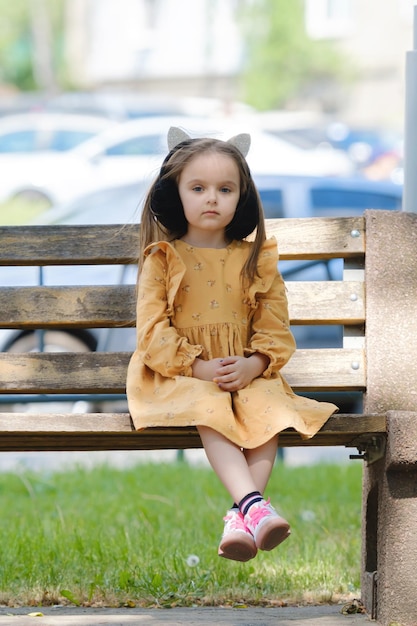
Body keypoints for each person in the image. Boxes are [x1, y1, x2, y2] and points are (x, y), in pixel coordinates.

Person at [126, 126, 337, 562]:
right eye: (198, 187)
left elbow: (274, 322)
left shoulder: (254, 258)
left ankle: (243, 513)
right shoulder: (163, 258)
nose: (211, 198)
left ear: (241, 197)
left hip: (244, 371)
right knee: (211, 406)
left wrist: (257, 363)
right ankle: (254, 507)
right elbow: (151, 332)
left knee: (272, 409)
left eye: (225, 188)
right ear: (175, 193)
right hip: (179, 374)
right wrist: (198, 367)